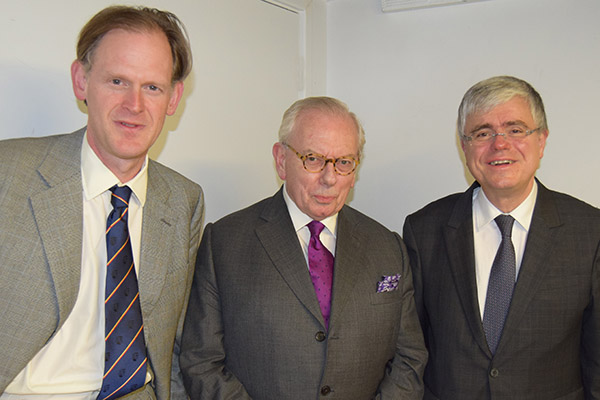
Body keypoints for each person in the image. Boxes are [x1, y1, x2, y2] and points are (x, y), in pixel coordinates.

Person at [0, 6, 203, 400]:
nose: (135, 105)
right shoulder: (9, 174)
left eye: (153, 87)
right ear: (81, 80)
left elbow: (176, 340)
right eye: (117, 81)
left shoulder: (183, 200)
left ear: (174, 97)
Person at [180, 96, 427, 399]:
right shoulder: (224, 243)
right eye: (313, 159)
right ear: (281, 160)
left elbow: (410, 358)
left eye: (344, 162)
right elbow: (201, 362)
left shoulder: (388, 248)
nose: (329, 178)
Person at [403, 75, 600, 399]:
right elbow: (411, 350)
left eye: (515, 129)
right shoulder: (424, 230)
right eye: (483, 133)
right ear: (464, 146)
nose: (500, 144)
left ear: (542, 140)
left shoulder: (590, 232)